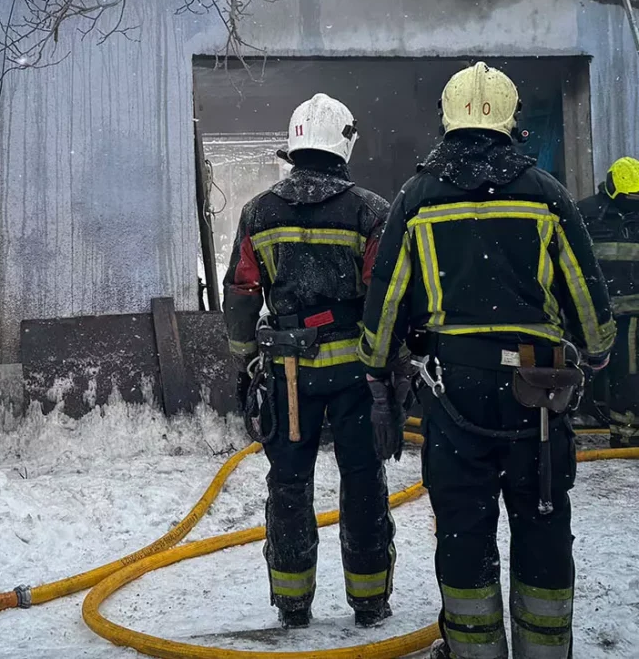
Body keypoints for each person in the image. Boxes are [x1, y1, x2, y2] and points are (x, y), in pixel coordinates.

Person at [359, 62, 615, 659]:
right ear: (511, 120)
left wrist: (377, 368)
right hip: (540, 389)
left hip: (454, 392)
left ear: (446, 122)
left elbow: (388, 295)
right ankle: (545, 650)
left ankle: (475, 651)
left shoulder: (417, 198)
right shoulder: (547, 195)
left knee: (463, 526)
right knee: (543, 518)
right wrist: (598, 353)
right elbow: (584, 293)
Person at [223, 93, 395, 630]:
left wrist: (248, 361)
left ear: (295, 145)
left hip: (287, 377)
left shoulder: (258, 212)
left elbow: (241, 295)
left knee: (289, 484)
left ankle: (293, 603)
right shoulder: (370, 210)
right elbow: (385, 295)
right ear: (344, 143)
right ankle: (368, 601)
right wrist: (387, 364)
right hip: (356, 375)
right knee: (362, 480)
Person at [578, 157, 639, 448]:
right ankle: (586, 415)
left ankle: (626, 432)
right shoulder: (586, 213)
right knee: (587, 365)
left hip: (631, 311)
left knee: (628, 371)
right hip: (591, 309)